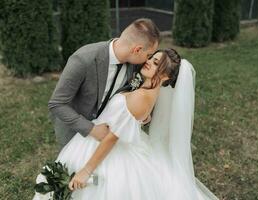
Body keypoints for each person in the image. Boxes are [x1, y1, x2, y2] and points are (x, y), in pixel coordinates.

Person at [34, 49, 219, 200]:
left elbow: (111, 138)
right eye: (152, 58)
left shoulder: (141, 96)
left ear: (165, 77)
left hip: (105, 145)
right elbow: (141, 117)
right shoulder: (149, 89)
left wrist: (86, 170)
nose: (148, 62)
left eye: (156, 64)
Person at [48, 18, 159, 149]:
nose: (148, 60)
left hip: (110, 136)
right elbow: (57, 104)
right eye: (148, 55)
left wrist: (144, 115)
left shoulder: (135, 65)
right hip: (76, 131)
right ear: (137, 50)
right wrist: (91, 129)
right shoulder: (84, 59)